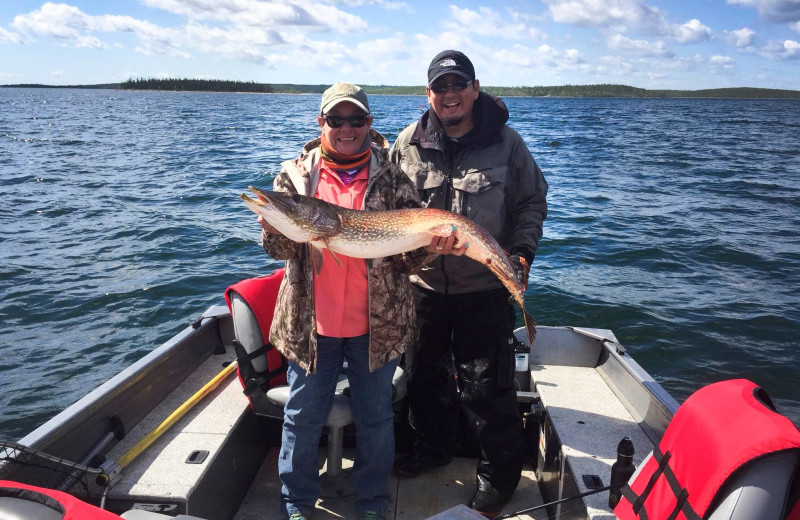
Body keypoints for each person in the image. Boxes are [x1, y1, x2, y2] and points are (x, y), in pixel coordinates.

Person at [258, 83, 430, 520]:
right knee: (301, 417)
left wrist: (433, 244)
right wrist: (274, 226)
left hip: (379, 324)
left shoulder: (393, 177)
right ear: (321, 125)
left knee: (376, 420)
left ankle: (372, 502)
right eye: (337, 119)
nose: (346, 127)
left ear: (369, 125)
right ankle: (296, 501)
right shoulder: (295, 178)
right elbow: (277, 251)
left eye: (356, 119)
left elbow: (411, 255)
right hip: (310, 325)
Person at [389, 50, 548, 518]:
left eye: (459, 84)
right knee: (421, 376)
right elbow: (389, 210)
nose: (450, 94)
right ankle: (432, 448)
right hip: (423, 286)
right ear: (429, 94)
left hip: (484, 285)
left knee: (486, 385)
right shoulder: (407, 143)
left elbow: (532, 203)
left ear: (475, 89)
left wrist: (520, 254)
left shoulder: (508, 144)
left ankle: (499, 474)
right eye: (441, 87)